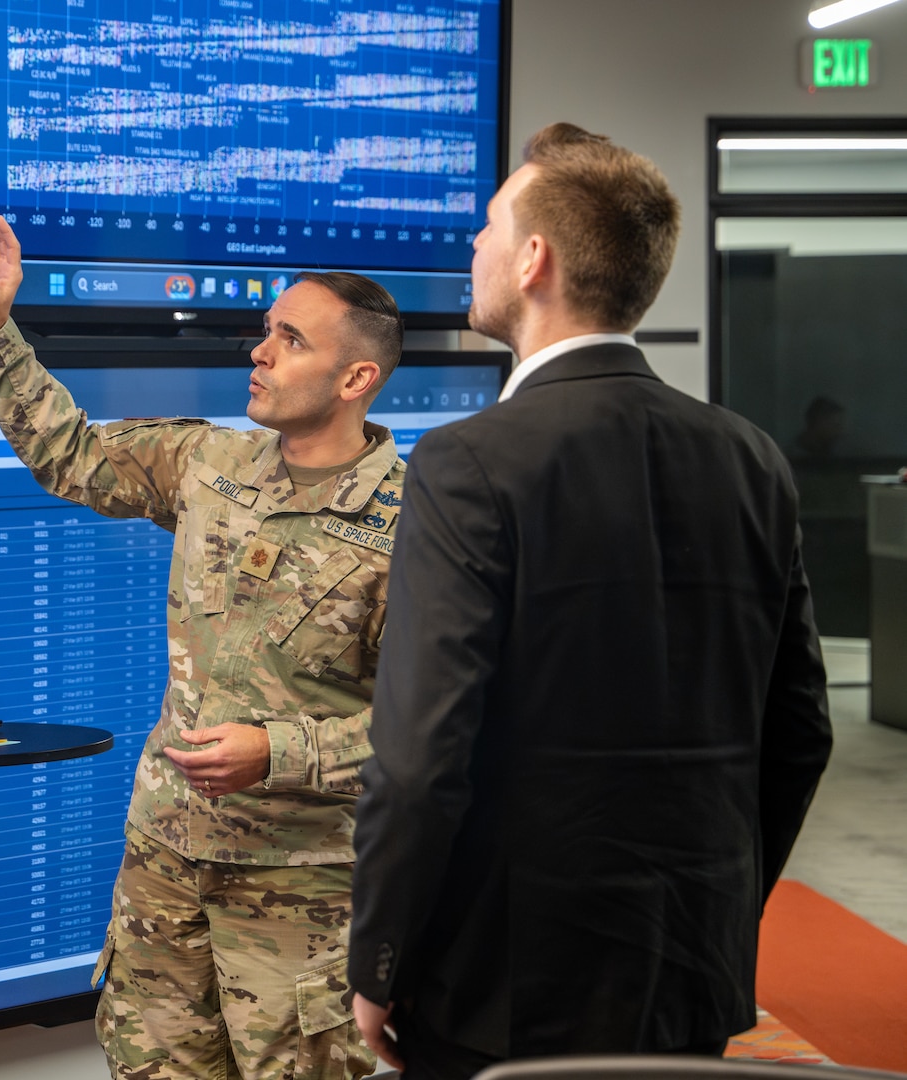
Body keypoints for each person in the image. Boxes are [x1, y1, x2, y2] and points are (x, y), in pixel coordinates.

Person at [347, 123, 834, 1079]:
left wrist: (381, 958)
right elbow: (800, 731)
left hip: (501, 985)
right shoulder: (752, 458)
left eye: (490, 226)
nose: (473, 246)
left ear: (535, 259)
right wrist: (718, 909)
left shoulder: (468, 463)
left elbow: (419, 759)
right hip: (691, 968)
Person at [0, 208, 402, 1080]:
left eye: (290, 340)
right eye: (265, 333)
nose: (260, 353)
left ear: (357, 376)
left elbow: (431, 731)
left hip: (299, 899)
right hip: (164, 871)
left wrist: (277, 753)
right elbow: (72, 454)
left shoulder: (414, 526)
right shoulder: (212, 464)